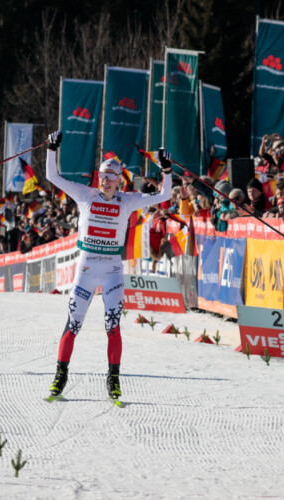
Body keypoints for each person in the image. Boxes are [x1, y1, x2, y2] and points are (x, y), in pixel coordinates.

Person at [44, 130, 172, 402]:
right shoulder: (85, 195)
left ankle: (113, 380)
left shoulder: (128, 200)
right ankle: (60, 377)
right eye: (102, 174)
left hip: (113, 272)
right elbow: (52, 177)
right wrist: (52, 149)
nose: (105, 179)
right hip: (86, 271)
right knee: (73, 326)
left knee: (112, 327)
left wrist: (166, 168)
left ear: (119, 179)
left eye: (111, 176)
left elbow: (165, 194)